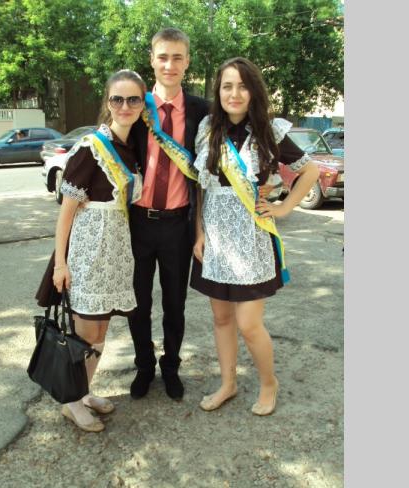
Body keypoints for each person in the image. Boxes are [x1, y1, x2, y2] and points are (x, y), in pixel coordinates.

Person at [190, 57, 320, 416]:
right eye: (227, 86)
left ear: (253, 91)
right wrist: (199, 233)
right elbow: (201, 187)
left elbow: (310, 171)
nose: (234, 93)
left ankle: (268, 383)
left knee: (248, 324)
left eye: (242, 86)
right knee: (221, 319)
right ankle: (228, 384)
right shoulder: (207, 129)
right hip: (216, 241)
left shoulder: (268, 130)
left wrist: (284, 206)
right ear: (218, 91)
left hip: (251, 240)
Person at [52, 70, 146, 432]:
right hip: (89, 253)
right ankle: (71, 403)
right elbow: (66, 213)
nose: (125, 106)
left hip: (115, 251)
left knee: (101, 331)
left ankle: (84, 391)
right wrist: (60, 264)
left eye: (133, 99)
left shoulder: (131, 148)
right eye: (117, 99)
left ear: (142, 104)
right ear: (108, 103)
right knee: (84, 334)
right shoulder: (90, 147)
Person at [126, 28, 210, 400]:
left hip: (178, 225)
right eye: (163, 57)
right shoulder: (134, 105)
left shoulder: (202, 110)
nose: (169, 65)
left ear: (187, 61)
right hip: (137, 224)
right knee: (137, 303)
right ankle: (144, 367)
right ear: (152, 60)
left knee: (175, 305)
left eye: (177, 57)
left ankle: (171, 366)